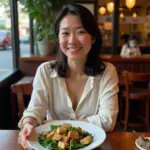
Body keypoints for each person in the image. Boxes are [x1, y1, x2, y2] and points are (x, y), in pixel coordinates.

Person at [18, 4, 119, 149]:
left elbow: (108, 120)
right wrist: (28, 124)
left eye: (80, 32)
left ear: (93, 37)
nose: (72, 40)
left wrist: (51, 124)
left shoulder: (107, 72)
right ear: (58, 38)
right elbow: (36, 109)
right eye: (65, 33)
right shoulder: (45, 71)